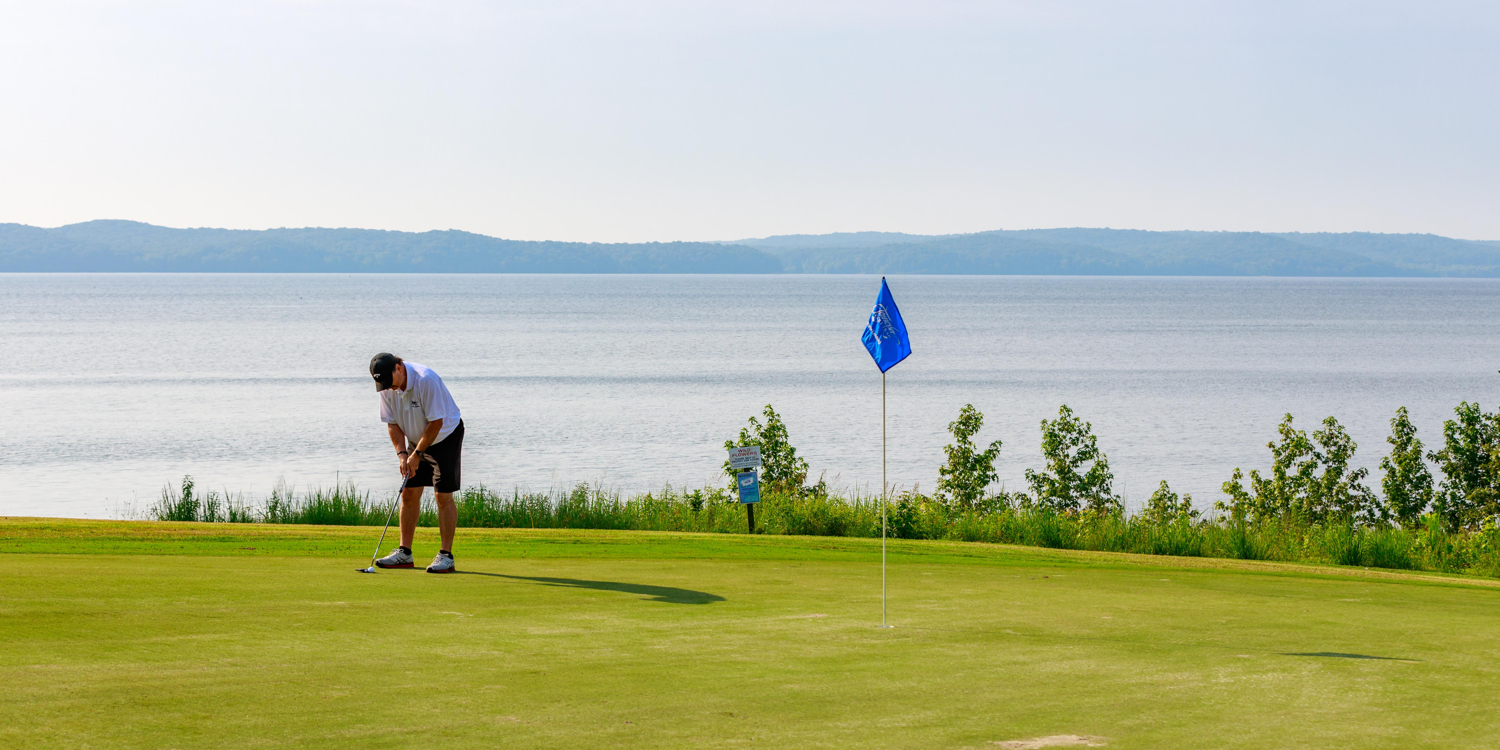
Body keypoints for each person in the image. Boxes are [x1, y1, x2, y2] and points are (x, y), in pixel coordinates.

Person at [369, 353, 464, 573]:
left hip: (444, 436)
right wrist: (403, 454)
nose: (388, 389)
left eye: (390, 383)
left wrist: (417, 454)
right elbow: (393, 424)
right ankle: (405, 553)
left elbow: (436, 422)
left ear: (399, 368)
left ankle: (446, 556)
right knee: (409, 493)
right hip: (415, 438)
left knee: (443, 496)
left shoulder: (425, 380)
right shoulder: (386, 387)